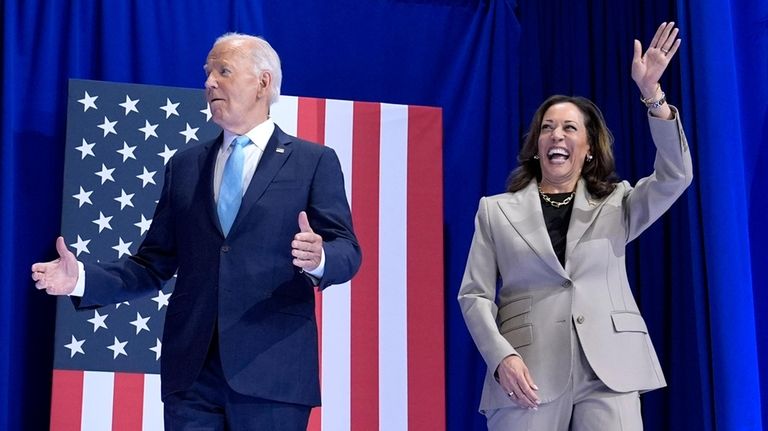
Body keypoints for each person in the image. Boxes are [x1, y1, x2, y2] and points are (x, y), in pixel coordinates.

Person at [31, 33, 361, 430]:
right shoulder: (185, 165)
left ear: (263, 83)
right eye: (207, 73)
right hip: (191, 375)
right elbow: (152, 264)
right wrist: (81, 278)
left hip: (272, 374)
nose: (209, 83)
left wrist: (320, 257)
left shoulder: (313, 161)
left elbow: (347, 250)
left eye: (223, 71)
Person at [457, 22, 692, 430]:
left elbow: (675, 176)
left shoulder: (617, 202)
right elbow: (474, 295)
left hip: (610, 370)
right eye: (547, 128)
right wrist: (501, 357)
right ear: (537, 147)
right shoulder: (495, 211)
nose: (556, 135)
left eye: (569, 128)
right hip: (527, 373)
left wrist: (653, 96)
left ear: (587, 149)